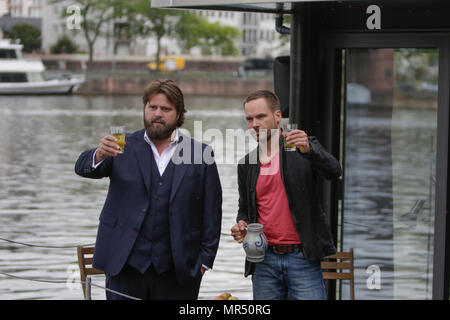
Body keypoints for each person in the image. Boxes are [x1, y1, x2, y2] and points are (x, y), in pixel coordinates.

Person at [75, 79, 222, 300]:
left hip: (180, 271)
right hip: (124, 266)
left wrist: (203, 262)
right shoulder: (120, 145)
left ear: (179, 114)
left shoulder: (200, 153)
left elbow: (212, 213)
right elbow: (83, 168)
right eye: (152, 107)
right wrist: (99, 154)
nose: (157, 114)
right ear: (144, 109)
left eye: (166, 109)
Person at [230, 90, 342, 300]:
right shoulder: (247, 164)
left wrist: (310, 150)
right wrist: (242, 224)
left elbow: (334, 171)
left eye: (261, 116)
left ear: (278, 116)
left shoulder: (303, 148)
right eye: (249, 119)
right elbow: (245, 208)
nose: (255, 124)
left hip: (303, 257)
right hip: (263, 260)